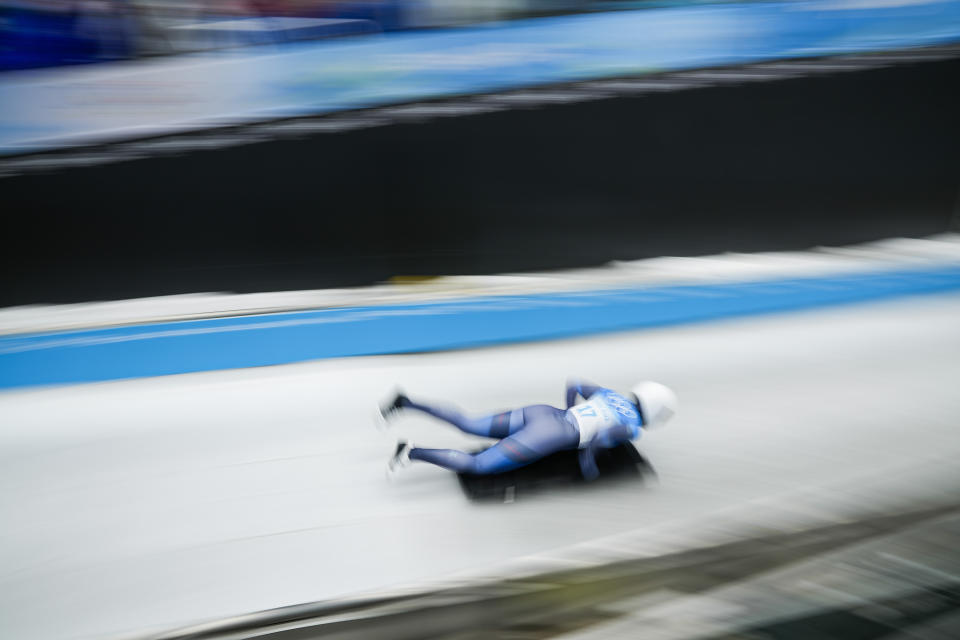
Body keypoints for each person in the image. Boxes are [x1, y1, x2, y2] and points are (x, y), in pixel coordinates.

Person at [381, 380, 677, 479]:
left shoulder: (610, 394)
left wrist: (568, 410)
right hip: (552, 435)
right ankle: (411, 452)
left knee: (468, 423)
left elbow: (574, 382)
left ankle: (406, 402)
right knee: (479, 465)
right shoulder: (632, 427)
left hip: (542, 413)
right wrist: (587, 465)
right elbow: (600, 438)